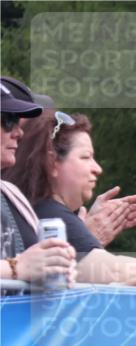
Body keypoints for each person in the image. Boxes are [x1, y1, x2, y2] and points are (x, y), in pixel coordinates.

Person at [4, 107, 136, 297]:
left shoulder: (27, 207)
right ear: (52, 162)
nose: (97, 168)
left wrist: (87, 237)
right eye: (86, 157)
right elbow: (110, 270)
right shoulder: (51, 214)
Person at [1, 76, 76, 289]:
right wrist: (17, 268)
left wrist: (57, 266)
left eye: (17, 122)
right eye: (7, 121)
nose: (19, 132)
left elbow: (36, 265)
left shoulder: (11, 194)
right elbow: (24, 266)